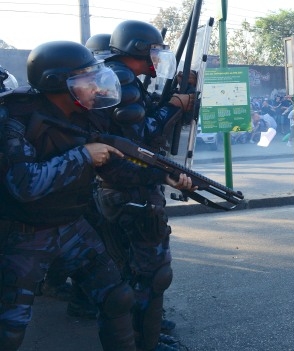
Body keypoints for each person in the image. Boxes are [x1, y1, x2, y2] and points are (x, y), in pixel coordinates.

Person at [0, 40, 136, 351]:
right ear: (57, 83)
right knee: (9, 329)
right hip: (25, 235)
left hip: (71, 225)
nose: (95, 87)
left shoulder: (84, 115)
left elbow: (117, 165)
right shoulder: (15, 120)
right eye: (86, 79)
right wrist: (84, 157)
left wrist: (166, 174)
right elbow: (25, 185)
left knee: (117, 296)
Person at [92, 20, 195, 351]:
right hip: (131, 188)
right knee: (150, 274)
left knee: (129, 272)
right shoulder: (122, 80)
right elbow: (142, 138)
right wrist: (174, 106)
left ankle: (144, 337)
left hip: (115, 188)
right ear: (138, 48)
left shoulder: (110, 76)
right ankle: (142, 343)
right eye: (153, 50)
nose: (158, 56)